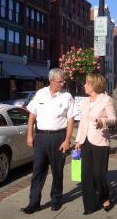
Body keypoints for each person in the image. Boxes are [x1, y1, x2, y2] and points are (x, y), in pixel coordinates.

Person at [21, 68, 76, 214]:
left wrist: (67, 140)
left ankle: (56, 199)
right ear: (51, 81)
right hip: (40, 138)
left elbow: (70, 120)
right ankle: (34, 203)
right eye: (60, 81)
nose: (63, 83)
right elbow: (32, 115)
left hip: (58, 137)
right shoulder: (40, 94)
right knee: (38, 171)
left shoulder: (67, 96)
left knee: (57, 171)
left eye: (63, 80)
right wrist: (29, 136)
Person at [75, 73, 117, 215]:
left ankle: (104, 197)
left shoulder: (106, 100)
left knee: (99, 173)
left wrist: (102, 121)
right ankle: (90, 205)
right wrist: (77, 140)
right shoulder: (85, 101)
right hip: (85, 141)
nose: (84, 85)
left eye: (87, 83)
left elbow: (114, 119)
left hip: (100, 141)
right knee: (85, 174)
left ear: (94, 84)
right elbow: (82, 121)